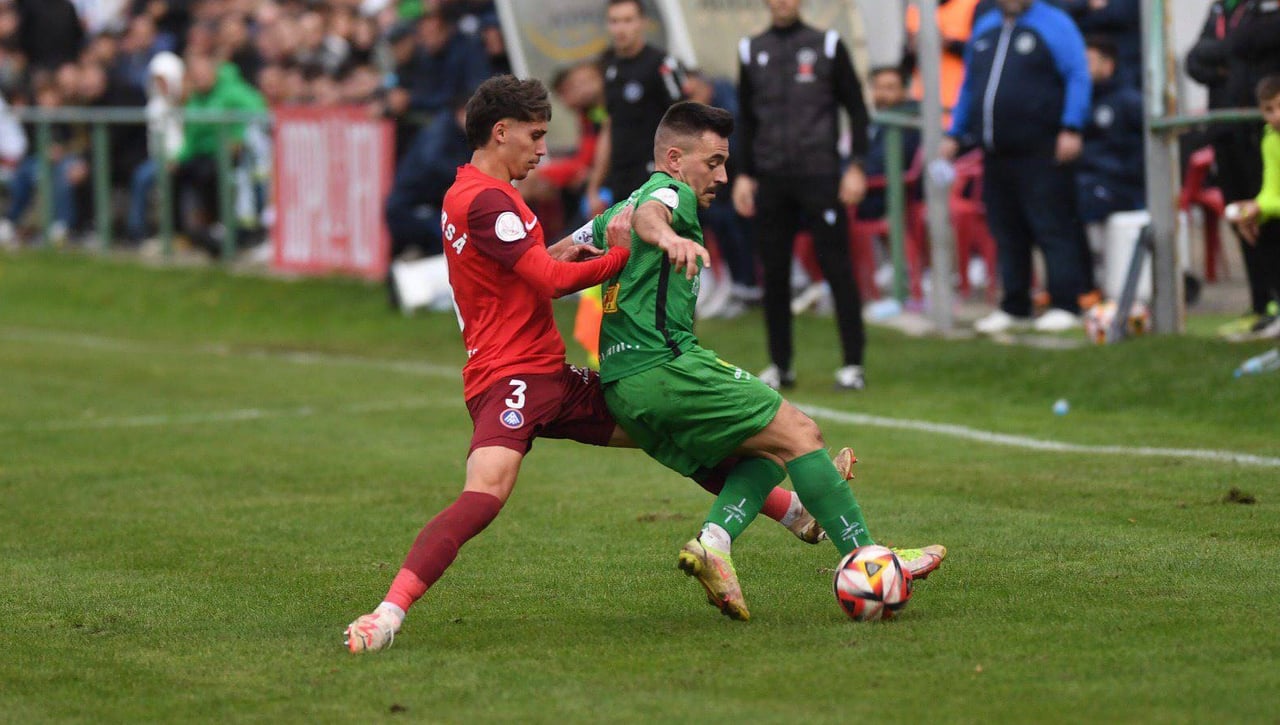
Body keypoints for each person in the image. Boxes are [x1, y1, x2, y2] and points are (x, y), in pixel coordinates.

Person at [344, 76, 835, 654]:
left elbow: (519, 272)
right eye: (536, 134)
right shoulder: (489, 200)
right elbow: (550, 285)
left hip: (550, 373)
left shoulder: (471, 194)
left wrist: (557, 252)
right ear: (500, 132)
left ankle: (794, 511)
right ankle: (387, 614)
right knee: (485, 494)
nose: (543, 148)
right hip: (511, 378)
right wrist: (621, 256)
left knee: (666, 429)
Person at [596, 101, 945, 621]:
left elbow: (559, 252)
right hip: (666, 367)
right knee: (802, 433)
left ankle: (714, 542)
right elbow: (657, 214)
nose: (723, 175)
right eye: (713, 162)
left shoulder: (617, 208)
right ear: (674, 159)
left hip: (623, 386)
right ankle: (871, 560)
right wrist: (668, 237)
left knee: (764, 454)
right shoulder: (668, 195)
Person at [732, 0, 871, 391]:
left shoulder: (827, 44)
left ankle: (853, 364)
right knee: (774, 273)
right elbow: (744, 120)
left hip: (821, 175)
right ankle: (780, 365)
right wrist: (742, 175)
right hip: (771, 178)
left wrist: (857, 165)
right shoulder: (750, 49)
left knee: (837, 268)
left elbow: (858, 109)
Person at [944, 0, 1091, 334]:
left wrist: (1072, 126)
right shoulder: (985, 27)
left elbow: (1077, 75)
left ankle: (1066, 303)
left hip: (1042, 147)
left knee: (1052, 226)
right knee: (1006, 230)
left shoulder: (1054, 24)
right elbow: (970, 85)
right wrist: (955, 131)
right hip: (995, 150)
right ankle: (1015, 305)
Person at [1186, 0, 1280, 335]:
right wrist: (1230, 62)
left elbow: (1245, 43)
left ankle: (1274, 304)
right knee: (1243, 217)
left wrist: (1231, 54)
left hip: (1257, 133)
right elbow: (1194, 60)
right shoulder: (1220, 10)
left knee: (1268, 222)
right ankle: (1261, 304)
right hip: (1228, 133)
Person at [583, 0, 686, 217]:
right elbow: (609, 127)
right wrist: (594, 185)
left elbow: (684, 122)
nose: (621, 28)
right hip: (621, 178)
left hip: (656, 176)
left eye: (628, 20)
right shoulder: (610, 67)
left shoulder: (662, 64)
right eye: (615, 21)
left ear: (642, 23)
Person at [1076, 35, 1144, 283]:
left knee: (1083, 197)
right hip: (1092, 179)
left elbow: (1140, 153)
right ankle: (1079, 281)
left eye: (1089, 61)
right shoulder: (1083, 99)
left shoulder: (1129, 101)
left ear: (1108, 65)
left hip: (1122, 185)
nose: (1083, 67)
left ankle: (1096, 278)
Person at [383, 95, 470, 261]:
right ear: (461, 112)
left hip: (426, 205)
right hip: (410, 207)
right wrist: (468, 177)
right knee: (450, 238)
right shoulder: (440, 132)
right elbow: (432, 162)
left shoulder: (456, 132)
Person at [1226, 74, 1280, 339]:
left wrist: (1261, 207)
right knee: (1259, 229)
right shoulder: (1270, 138)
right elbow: (1271, 190)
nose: (1276, 116)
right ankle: (1276, 306)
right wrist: (1253, 211)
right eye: (1269, 109)